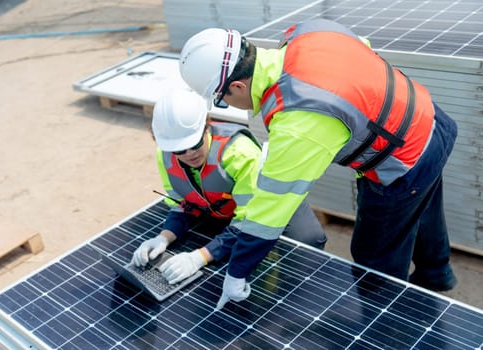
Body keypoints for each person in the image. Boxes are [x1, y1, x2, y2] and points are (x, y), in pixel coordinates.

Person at [178, 18, 458, 309]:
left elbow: (269, 212)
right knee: (423, 209)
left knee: (373, 260)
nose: (227, 106)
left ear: (236, 85)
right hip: (430, 119)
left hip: (403, 162)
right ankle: (436, 275)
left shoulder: (298, 117)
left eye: (222, 100)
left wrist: (237, 272)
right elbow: (364, 53)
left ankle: (388, 329)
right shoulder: (309, 32)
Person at [131, 88, 326, 285]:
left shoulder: (239, 153)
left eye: (195, 142)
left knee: (304, 250)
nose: (189, 153)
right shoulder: (165, 156)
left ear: (206, 126)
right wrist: (164, 237)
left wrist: (200, 257)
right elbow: (182, 204)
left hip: (271, 207)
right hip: (228, 212)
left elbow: (251, 221)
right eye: (180, 149)